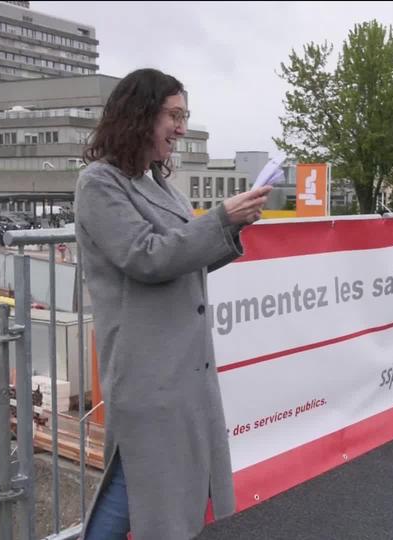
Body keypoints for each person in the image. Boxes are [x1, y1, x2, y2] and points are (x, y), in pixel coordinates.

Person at [75, 68, 272, 540]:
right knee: (138, 484)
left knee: (149, 485)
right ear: (140, 114)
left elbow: (183, 257)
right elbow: (146, 257)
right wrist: (221, 219)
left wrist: (230, 228)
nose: (182, 128)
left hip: (182, 366)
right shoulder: (98, 184)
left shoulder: (158, 184)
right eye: (174, 115)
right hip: (149, 368)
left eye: (185, 116)